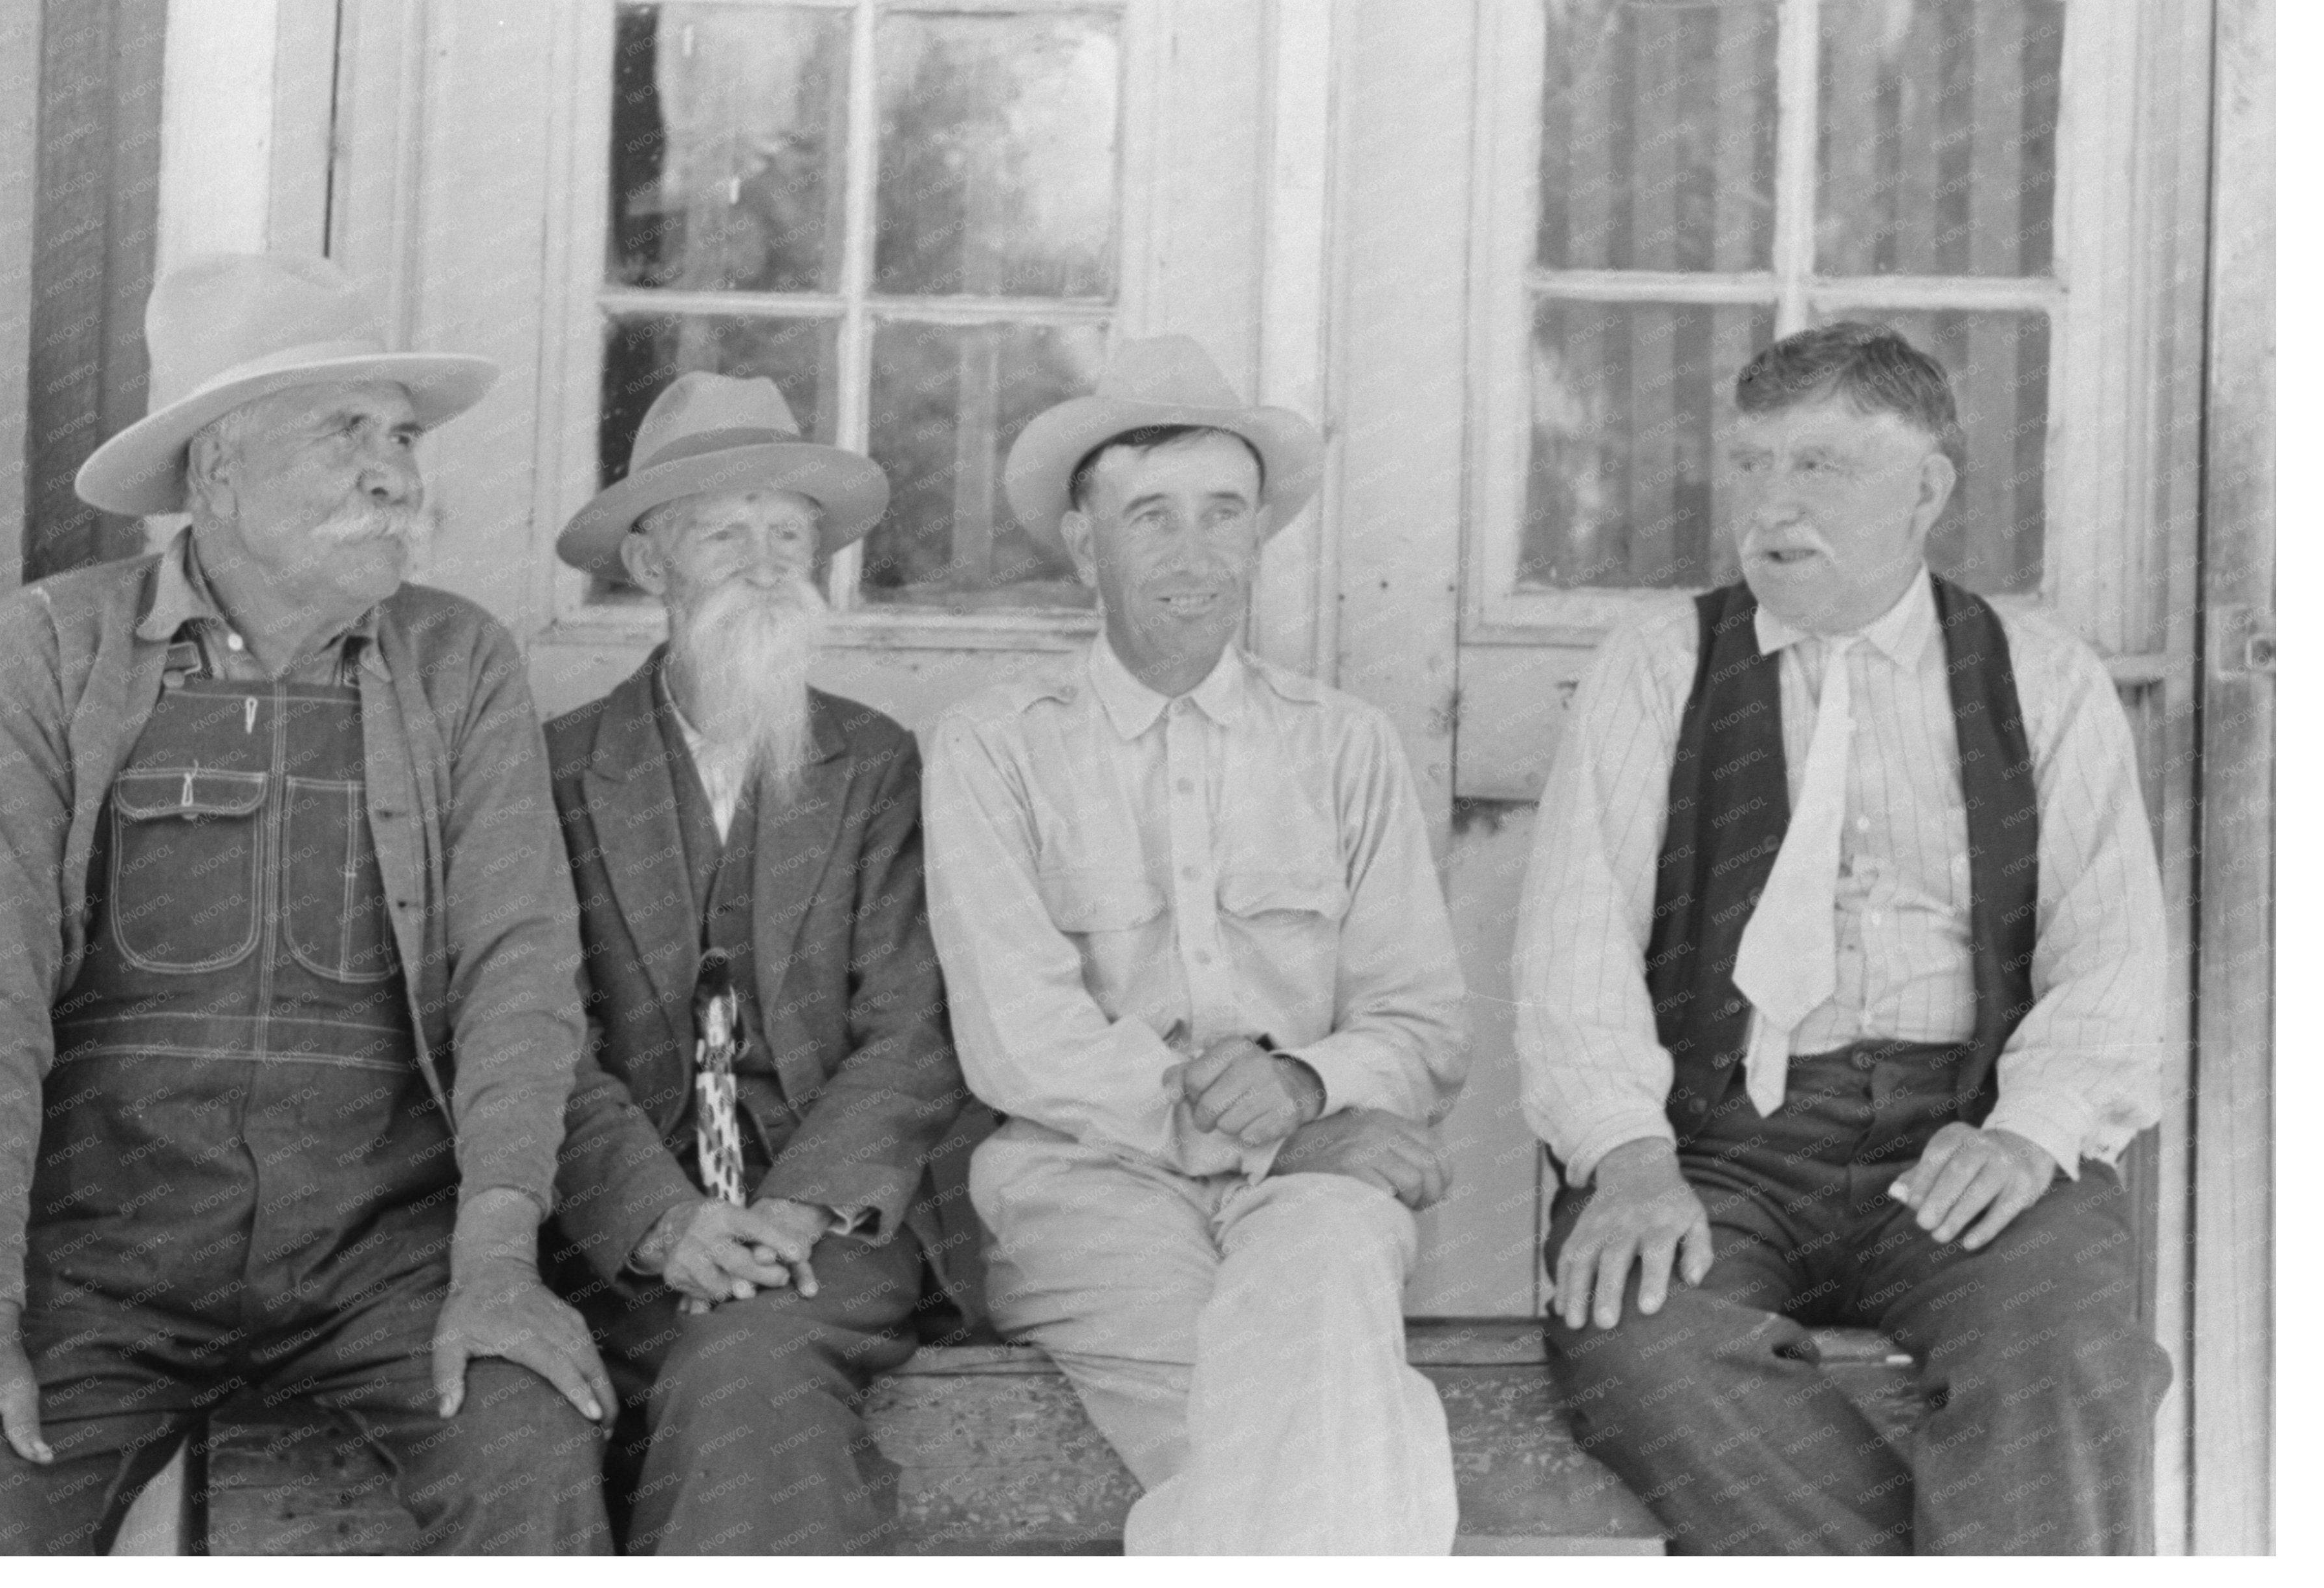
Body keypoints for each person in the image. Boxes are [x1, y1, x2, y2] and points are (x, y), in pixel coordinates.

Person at [0, 253, 612, 1554]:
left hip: (388, 1259)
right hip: (100, 1270)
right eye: (345, 433)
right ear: (216, 470)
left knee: (532, 1456)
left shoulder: (457, 661)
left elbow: (519, 974)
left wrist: (494, 1260)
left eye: (402, 435)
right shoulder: (53, 652)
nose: (398, 472)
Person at [1514, 322, 2171, 1554]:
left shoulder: (2041, 674)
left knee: (2066, 1342)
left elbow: (2112, 954)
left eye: (1820, 465)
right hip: (1725, 1141)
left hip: (1965, 1130)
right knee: (1637, 1338)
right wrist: (1628, 1155)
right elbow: (1573, 949)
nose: (1773, 503)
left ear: (1927, 486)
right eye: (1754, 465)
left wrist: (2033, 1132)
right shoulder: (1660, 665)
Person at [923, 336, 1472, 1554]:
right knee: (1305, 1435)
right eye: (1150, 516)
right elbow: (1022, 1041)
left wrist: (1304, 1085)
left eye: (1224, 512)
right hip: (1089, 1184)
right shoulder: (996, 748)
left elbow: (1423, 1024)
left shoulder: (1344, 745)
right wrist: (1265, 1114)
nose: (1193, 552)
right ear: (1083, 542)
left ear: (1262, 531)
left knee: (1304, 1368)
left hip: (1315, 1173)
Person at [543, 373, 974, 1554]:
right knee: (547, 1420)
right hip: (617, 1240)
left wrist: (790, 1213)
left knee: (744, 1360)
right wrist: (658, 1219)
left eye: (792, 533)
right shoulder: (555, 769)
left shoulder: (874, 762)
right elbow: (535, 1038)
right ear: (648, 565)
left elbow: (912, 1028)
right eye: (726, 532)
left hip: (829, 1232)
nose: (771, 560)